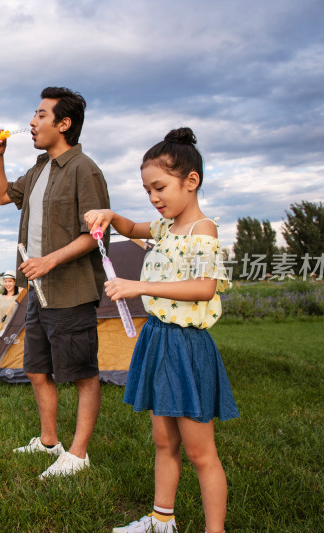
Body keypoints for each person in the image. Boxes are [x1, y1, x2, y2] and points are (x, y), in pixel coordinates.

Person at [84, 127, 238, 533]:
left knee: (201, 453)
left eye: (159, 187)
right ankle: (161, 520)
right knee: (163, 441)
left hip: (186, 347)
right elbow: (133, 228)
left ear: (191, 181)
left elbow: (204, 288)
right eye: (147, 190)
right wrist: (110, 216)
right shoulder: (164, 228)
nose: (153, 198)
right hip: (157, 340)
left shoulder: (202, 230)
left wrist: (140, 286)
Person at [0, 86, 110, 479]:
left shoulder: (84, 169)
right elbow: (2, 196)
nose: (31, 122)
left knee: (82, 373)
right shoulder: (39, 169)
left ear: (64, 123)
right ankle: (48, 442)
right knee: (37, 370)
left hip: (70, 290)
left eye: (41, 115)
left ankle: (78, 454)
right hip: (37, 292)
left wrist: (50, 260)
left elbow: (98, 234)